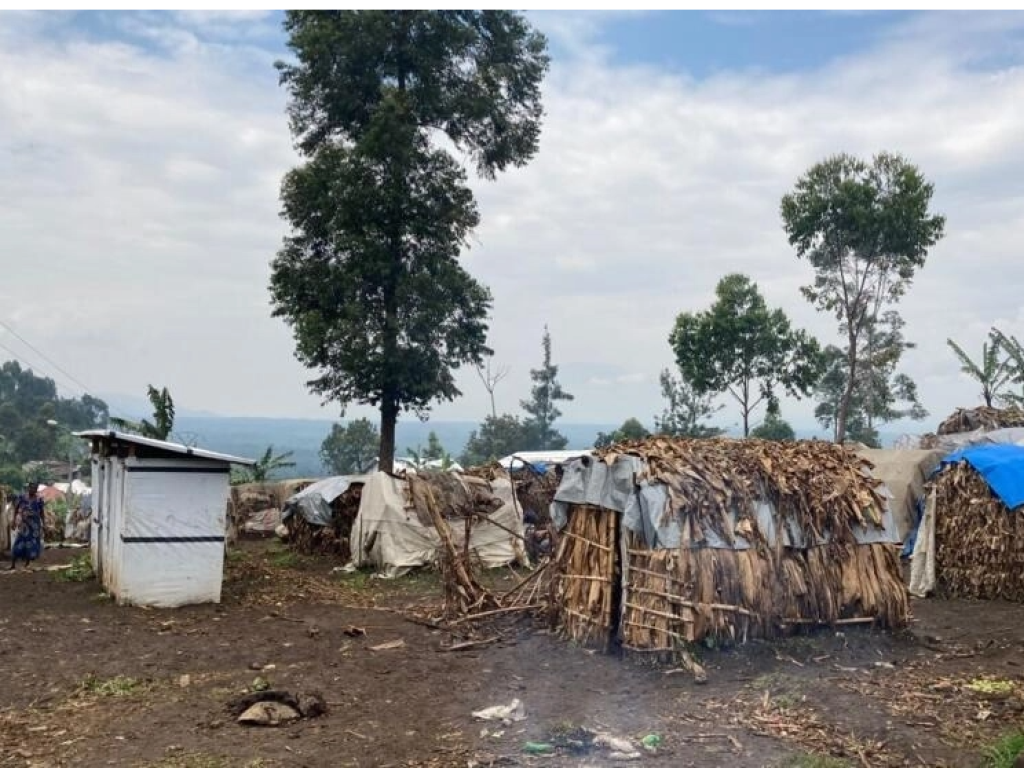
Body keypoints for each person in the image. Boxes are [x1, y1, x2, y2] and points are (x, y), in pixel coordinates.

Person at [10, 482, 44, 570]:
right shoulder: (22, 497)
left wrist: (44, 524)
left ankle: (27, 563)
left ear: (37, 489)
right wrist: (13, 521)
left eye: (35, 488)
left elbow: (42, 513)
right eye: (31, 488)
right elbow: (16, 509)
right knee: (18, 542)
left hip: (34, 526)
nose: (33, 490)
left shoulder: (39, 500)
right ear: (28, 488)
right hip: (24, 525)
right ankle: (13, 564)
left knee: (31, 544)